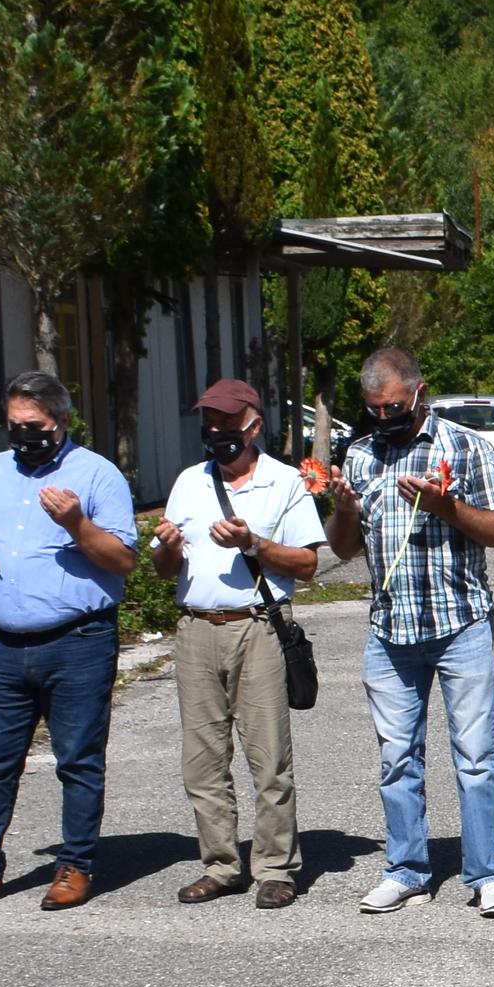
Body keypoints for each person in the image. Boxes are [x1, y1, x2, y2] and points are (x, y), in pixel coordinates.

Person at [329, 344, 494, 918]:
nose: (384, 418)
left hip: (459, 622)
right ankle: (406, 868)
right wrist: (341, 510)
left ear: (418, 392)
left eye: (393, 407)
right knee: (396, 759)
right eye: (374, 410)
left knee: (475, 755)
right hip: (390, 630)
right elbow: (341, 550)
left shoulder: (465, 447)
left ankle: (488, 872)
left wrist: (446, 507)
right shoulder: (360, 456)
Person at [0, 370, 134, 911]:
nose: (25, 437)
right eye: (15, 426)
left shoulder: (97, 475)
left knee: (77, 759)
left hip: (78, 640)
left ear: (63, 422)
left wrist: (76, 524)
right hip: (3, 643)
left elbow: (122, 560)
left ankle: (75, 866)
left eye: (36, 427)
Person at [148, 377, 324, 910]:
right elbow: (161, 569)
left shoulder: (284, 482)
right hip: (197, 627)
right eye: (210, 423)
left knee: (268, 757)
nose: (218, 431)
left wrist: (254, 543)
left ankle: (275, 867)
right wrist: (169, 549)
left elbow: (309, 564)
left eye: (228, 422)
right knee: (202, 761)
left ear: (254, 424)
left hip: (257, 625)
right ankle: (221, 865)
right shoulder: (189, 483)